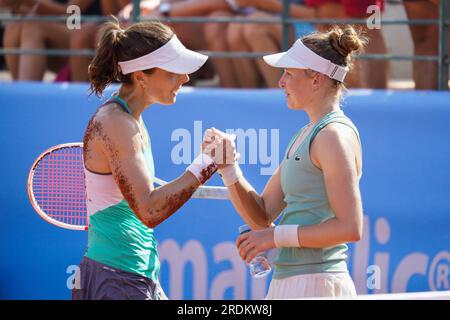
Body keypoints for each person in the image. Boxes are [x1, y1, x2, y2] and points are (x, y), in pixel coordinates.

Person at [72, 17, 235, 300]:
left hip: (129, 274)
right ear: (141, 77)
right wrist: (206, 163)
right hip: (117, 278)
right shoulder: (116, 123)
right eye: (174, 72)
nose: (184, 79)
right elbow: (149, 211)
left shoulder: (129, 120)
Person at [206, 25, 365, 299]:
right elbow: (263, 214)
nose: (280, 82)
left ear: (316, 79)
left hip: (318, 284)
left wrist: (274, 237)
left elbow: (349, 227)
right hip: (293, 282)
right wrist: (228, 167)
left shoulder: (332, 136)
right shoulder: (306, 134)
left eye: (289, 74)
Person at [1, 0, 103, 81]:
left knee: (32, 28)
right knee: (13, 27)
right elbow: (36, 9)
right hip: (61, 31)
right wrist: (15, 4)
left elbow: (72, 14)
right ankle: (19, 93)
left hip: (87, 35)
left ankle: (26, 96)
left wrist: (28, 2)